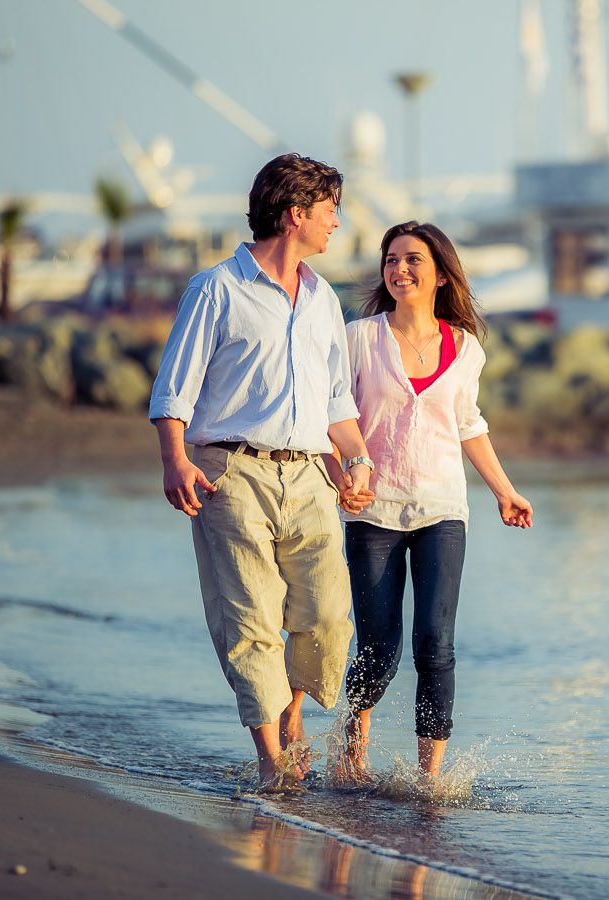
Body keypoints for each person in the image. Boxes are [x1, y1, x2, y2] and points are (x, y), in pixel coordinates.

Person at [148, 153, 376, 791]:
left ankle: (292, 715)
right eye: (330, 209)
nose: (337, 222)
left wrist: (355, 462)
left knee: (329, 618)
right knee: (250, 621)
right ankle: (274, 764)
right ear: (295, 213)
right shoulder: (216, 289)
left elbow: (338, 404)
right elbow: (175, 389)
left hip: (310, 477)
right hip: (230, 472)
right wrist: (174, 460)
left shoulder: (326, 299)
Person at [339, 221, 532, 781]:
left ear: (441, 274)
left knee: (435, 642)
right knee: (379, 649)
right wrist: (343, 474)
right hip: (373, 510)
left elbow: (468, 424)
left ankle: (431, 780)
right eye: (391, 259)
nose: (400, 269)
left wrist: (505, 491)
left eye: (413, 259)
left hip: (443, 509)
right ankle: (354, 748)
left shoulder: (465, 348)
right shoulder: (361, 338)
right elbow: (337, 417)